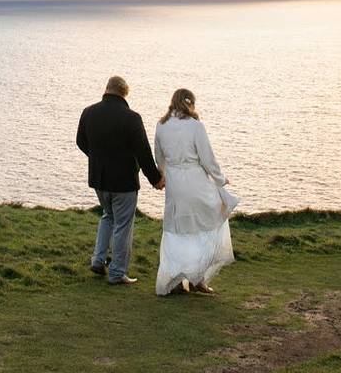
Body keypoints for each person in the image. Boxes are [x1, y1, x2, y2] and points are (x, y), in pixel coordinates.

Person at [77, 76, 164, 285]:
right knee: (123, 224)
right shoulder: (131, 118)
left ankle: (98, 260)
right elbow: (143, 152)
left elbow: (80, 141)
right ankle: (117, 273)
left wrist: (98, 159)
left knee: (108, 216)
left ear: (106, 89)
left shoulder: (89, 112)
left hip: (99, 179)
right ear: (125, 93)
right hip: (124, 181)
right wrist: (155, 179)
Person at [153, 89, 235, 295]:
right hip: (195, 181)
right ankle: (199, 279)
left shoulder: (161, 126)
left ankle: (178, 281)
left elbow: (159, 157)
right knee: (206, 226)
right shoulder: (196, 126)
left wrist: (162, 176)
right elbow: (207, 158)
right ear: (190, 104)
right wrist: (220, 179)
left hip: (174, 185)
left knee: (178, 231)